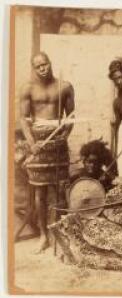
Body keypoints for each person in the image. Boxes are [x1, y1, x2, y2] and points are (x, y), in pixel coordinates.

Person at [19, 52, 74, 253]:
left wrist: (64, 136)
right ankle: (43, 235)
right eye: (38, 66)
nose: (43, 68)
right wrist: (32, 143)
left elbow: (71, 117)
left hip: (58, 143)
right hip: (38, 145)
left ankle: (59, 233)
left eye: (45, 64)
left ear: (51, 63)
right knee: (40, 193)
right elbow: (24, 119)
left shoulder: (65, 86)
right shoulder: (27, 89)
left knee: (60, 190)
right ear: (34, 68)